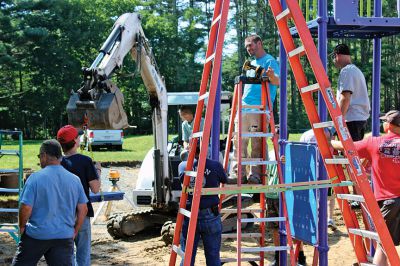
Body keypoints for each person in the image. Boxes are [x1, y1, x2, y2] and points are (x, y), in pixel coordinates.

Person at [331, 110, 400, 266]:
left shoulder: (374, 142)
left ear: (388, 125)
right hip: (392, 200)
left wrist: (330, 141)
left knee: (383, 245)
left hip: (388, 201)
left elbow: (346, 146)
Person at [12, 140, 88, 265]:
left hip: (37, 234)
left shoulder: (35, 178)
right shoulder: (75, 180)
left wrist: (21, 226)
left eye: (39, 157)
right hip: (64, 236)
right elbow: (83, 209)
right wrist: (75, 230)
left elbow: (25, 207)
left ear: (44, 155)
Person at [230, 34, 280, 184]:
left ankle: (255, 175)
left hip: (260, 108)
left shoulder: (270, 60)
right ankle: (239, 174)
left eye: (250, 45)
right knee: (238, 140)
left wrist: (269, 74)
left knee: (257, 142)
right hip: (245, 106)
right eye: (246, 47)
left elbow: (276, 80)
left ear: (259, 43)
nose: (248, 49)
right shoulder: (251, 63)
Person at [57, 125, 101, 266]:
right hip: (81, 213)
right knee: (83, 255)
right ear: (76, 141)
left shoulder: (56, 163)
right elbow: (95, 188)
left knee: (65, 255)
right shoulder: (85, 161)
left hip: (61, 214)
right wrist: (98, 170)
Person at [178, 145, 227, 266]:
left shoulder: (183, 166)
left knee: (187, 257)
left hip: (189, 215)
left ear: (191, 151)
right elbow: (224, 179)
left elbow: (182, 180)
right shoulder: (215, 166)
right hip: (210, 214)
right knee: (213, 257)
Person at [300, 128, 337, 231]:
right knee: (329, 196)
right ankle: (328, 219)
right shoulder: (327, 131)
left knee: (314, 196)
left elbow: (301, 152)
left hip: (310, 169)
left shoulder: (305, 134)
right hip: (326, 168)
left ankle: (316, 221)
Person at [331, 43, 370, 141]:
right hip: (358, 119)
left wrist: (338, 121)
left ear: (337, 55)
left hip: (351, 119)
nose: (334, 61)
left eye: (333, 58)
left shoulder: (346, 71)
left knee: (351, 154)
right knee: (356, 153)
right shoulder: (356, 70)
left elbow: (345, 98)